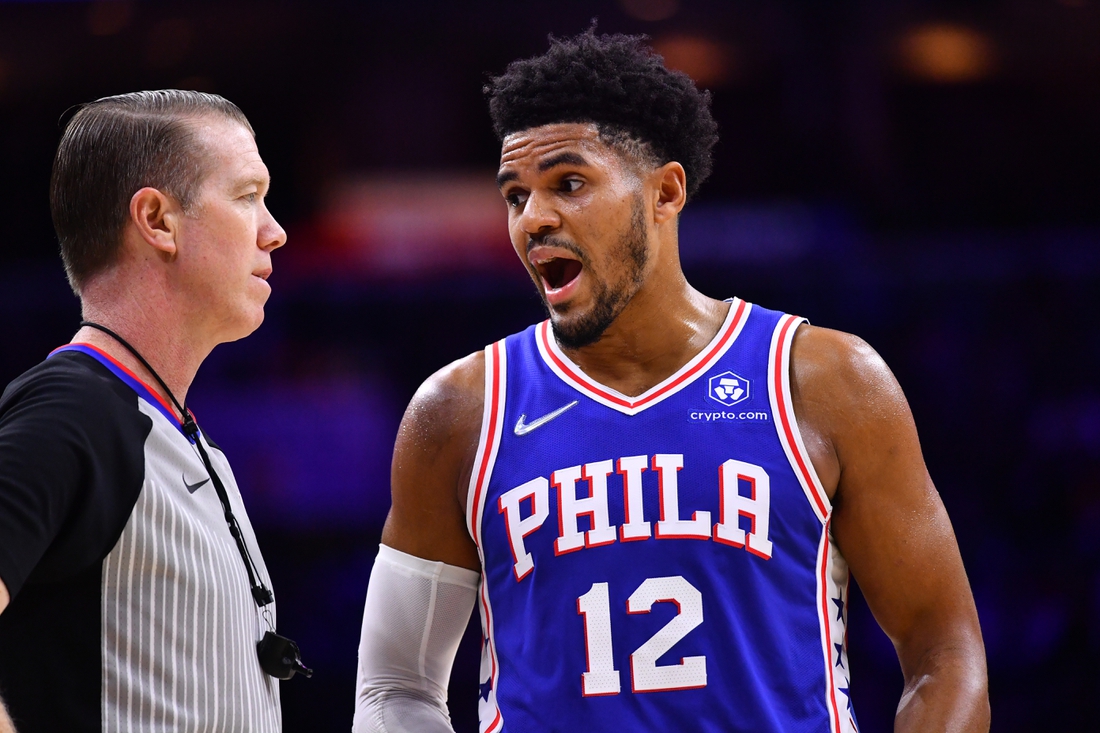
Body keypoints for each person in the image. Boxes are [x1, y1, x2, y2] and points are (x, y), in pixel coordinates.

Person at [354, 31, 989, 733]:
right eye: (515, 195)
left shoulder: (825, 380)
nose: (533, 218)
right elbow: (395, 687)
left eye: (568, 183)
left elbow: (945, 651)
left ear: (665, 191)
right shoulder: (459, 412)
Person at [0, 90, 298, 732]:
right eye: (248, 196)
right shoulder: (71, 412)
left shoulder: (174, 432)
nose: (274, 230)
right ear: (158, 220)